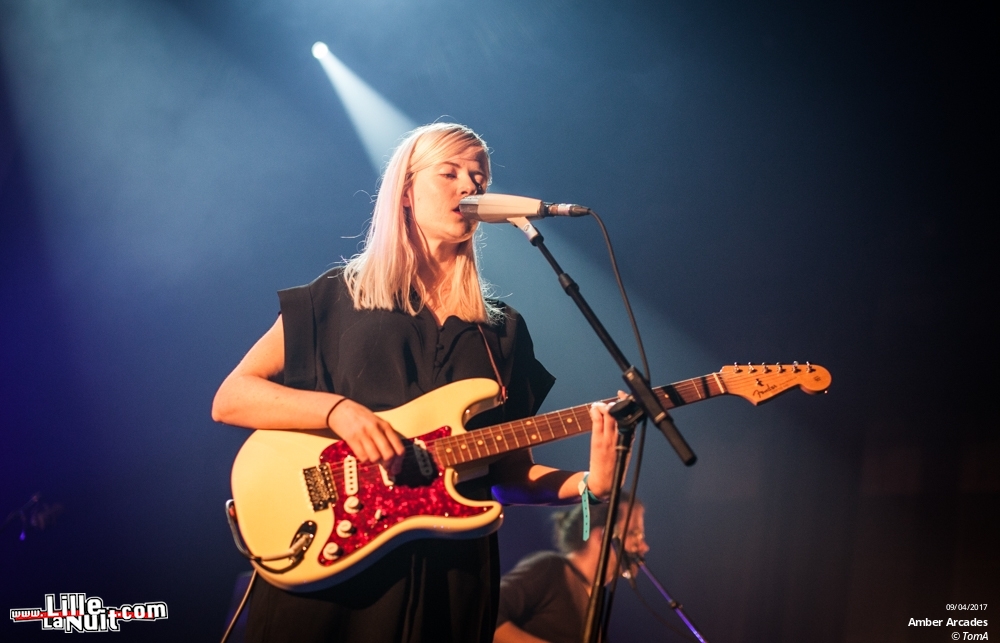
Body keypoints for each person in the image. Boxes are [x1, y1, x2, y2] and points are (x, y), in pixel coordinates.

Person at [211, 122, 619, 643]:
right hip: (334, 566)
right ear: (406, 192)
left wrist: (590, 487)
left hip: (447, 579)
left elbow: (507, 475)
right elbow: (232, 397)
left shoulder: (503, 331)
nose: (469, 187)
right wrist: (337, 410)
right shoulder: (339, 295)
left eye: (479, 177)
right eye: (449, 173)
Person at [494, 495, 648, 643]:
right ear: (602, 537)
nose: (644, 547)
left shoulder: (592, 603)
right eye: (635, 534)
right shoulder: (550, 568)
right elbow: (486, 615)